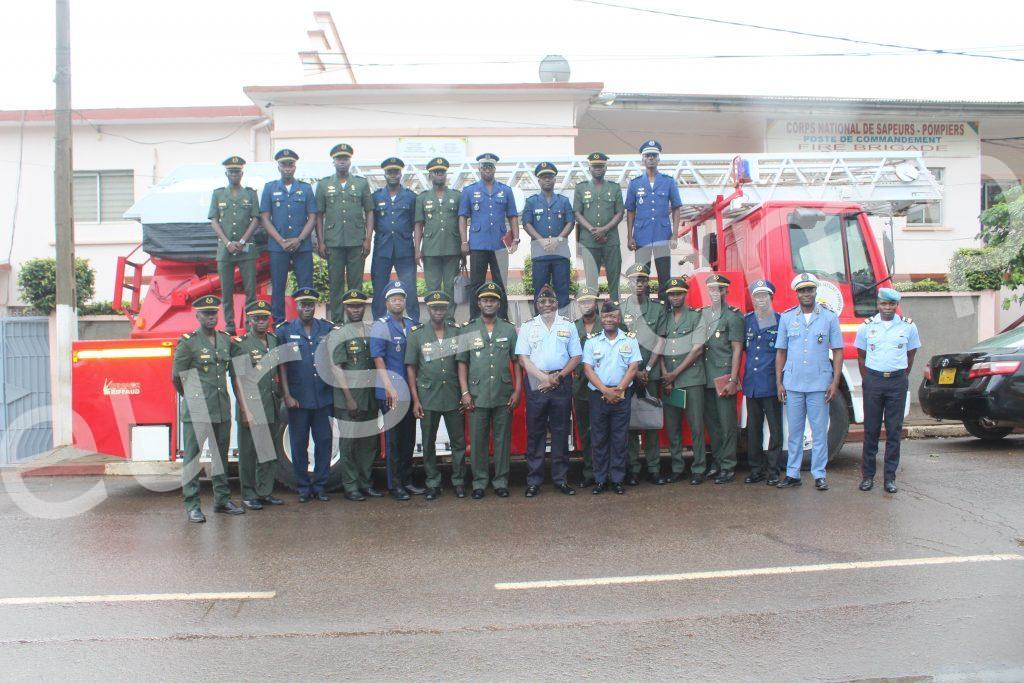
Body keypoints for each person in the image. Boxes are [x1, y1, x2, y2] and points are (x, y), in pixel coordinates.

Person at [172, 295, 243, 523]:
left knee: (220, 457)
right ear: (198, 316)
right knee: (193, 458)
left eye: (214, 313)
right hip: (197, 410)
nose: (211, 317)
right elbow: (177, 378)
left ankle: (222, 500)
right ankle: (192, 504)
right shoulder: (188, 342)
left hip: (221, 408)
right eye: (206, 314)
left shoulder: (224, 340)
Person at [775, 273, 844, 491]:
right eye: (802, 291)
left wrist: (835, 381)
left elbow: (838, 351)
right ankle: (793, 473)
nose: (806, 294)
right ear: (796, 293)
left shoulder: (829, 317)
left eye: (810, 290)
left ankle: (819, 474)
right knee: (794, 432)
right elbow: (781, 352)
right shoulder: (787, 318)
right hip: (794, 383)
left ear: (816, 291)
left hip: (819, 383)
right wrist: (779, 382)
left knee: (819, 432)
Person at [457, 282, 522, 499]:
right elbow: (462, 363)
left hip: (504, 394)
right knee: (478, 441)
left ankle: (501, 480)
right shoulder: (468, 329)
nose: (489, 303)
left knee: (502, 440)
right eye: (485, 300)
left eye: (492, 300)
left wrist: (517, 390)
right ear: (479, 303)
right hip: (477, 394)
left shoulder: (508, 329)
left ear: (498, 303)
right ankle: (479, 482)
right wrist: (465, 392)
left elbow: (516, 362)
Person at [516, 284, 582, 497]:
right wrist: (544, 378)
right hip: (536, 381)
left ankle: (560, 479)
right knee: (535, 433)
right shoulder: (528, 326)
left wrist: (557, 377)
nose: (546, 305)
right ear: (537, 304)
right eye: (542, 301)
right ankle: (534, 480)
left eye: (550, 301)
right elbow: (523, 358)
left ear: (557, 303)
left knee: (561, 432)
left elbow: (576, 357)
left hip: (561, 380)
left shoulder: (568, 326)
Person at [855, 287, 920, 494]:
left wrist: (901, 376)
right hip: (873, 381)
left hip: (896, 382)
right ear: (878, 304)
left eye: (892, 304)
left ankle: (890, 479)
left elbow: (911, 355)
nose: (888, 308)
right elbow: (861, 357)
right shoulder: (866, 327)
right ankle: (867, 477)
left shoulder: (908, 327)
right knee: (871, 431)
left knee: (894, 431)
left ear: (896, 305)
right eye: (884, 303)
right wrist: (868, 380)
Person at [406, 291, 467, 500]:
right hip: (428, 396)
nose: (438, 311)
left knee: (458, 442)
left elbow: (461, 364)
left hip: (452, 395)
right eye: (434, 308)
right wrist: (415, 400)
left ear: (447, 309)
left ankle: (459, 481)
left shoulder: (457, 332)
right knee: (428, 442)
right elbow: (412, 368)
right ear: (428, 309)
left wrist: (463, 392)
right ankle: (433, 482)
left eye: (442, 307)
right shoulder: (417, 334)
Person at [276, 287, 334, 503]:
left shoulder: (326, 329)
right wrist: (287, 395)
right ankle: (302, 487)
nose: (307, 308)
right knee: (299, 444)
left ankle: (319, 486)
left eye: (310, 304)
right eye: (303, 304)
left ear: (315, 306)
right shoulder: (285, 331)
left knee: (324, 442)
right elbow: (282, 365)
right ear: (297, 306)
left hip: (322, 397)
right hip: (298, 399)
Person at [229, 299, 286, 510]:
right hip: (252, 405)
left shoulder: (273, 341)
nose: (261, 322)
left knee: (268, 451)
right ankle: (248, 494)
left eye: (264, 318)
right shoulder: (241, 344)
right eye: (257, 319)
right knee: (249, 453)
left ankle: (265, 492)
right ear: (249, 321)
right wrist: (244, 410)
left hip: (271, 403)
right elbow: (238, 380)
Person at [370, 280, 425, 500]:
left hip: (409, 391)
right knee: (393, 440)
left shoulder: (412, 324)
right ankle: (395, 485)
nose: (398, 302)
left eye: (401, 298)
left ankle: (407, 479)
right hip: (391, 392)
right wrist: (389, 387)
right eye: (394, 299)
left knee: (408, 438)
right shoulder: (380, 325)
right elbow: (378, 358)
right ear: (386, 302)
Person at [582, 301, 642, 494]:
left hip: (621, 395)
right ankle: (600, 479)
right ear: (601, 318)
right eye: (606, 316)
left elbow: (633, 367)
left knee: (619, 438)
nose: (609, 319)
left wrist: (619, 389)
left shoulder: (630, 340)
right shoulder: (592, 341)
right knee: (599, 438)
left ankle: (617, 479)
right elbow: (587, 369)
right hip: (598, 395)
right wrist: (605, 391)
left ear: (619, 319)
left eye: (613, 316)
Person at [329, 289, 382, 502]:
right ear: (345, 308)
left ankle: (365, 483)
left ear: (364, 307)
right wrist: (349, 399)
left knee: (369, 444)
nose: (355, 309)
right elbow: (337, 368)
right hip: (348, 400)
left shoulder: (370, 332)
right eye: (351, 305)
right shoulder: (338, 334)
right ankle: (350, 487)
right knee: (349, 444)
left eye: (359, 305)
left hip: (369, 398)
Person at [315, 143, 374, 323]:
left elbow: (370, 211)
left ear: (350, 162)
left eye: (345, 159)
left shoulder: (361, 183)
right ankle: (338, 322)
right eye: (339, 159)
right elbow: (319, 215)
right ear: (333, 162)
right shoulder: (324, 184)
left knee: (356, 285)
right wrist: (321, 241)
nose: (342, 162)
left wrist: (368, 239)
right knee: (336, 285)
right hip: (333, 242)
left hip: (357, 241)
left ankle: (355, 322)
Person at [658, 277, 708, 485]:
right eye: (671, 294)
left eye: (678, 293)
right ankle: (677, 467)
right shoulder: (665, 317)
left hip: (691, 379)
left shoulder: (696, 316)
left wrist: (674, 373)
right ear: (668, 297)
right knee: (673, 427)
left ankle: (698, 468)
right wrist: (665, 376)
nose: (675, 297)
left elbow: (697, 349)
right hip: (669, 382)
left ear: (685, 294)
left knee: (696, 426)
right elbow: (658, 348)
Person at [459, 153, 520, 320]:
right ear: (479, 169)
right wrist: (464, 241)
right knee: (476, 284)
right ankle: (474, 319)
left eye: (490, 167)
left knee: (501, 284)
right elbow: (463, 217)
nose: (487, 170)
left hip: (500, 244)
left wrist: (516, 239)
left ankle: (503, 319)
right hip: (478, 244)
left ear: (494, 169)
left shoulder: (505, 190)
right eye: (484, 167)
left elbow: (513, 216)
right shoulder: (469, 191)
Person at [620, 263, 666, 484]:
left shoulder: (657, 309)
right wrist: (634, 371)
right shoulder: (620, 309)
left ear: (647, 283)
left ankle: (654, 468)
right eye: (634, 280)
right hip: (627, 376)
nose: (638, 284)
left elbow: (661, 340)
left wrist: (646, 369)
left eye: (642, 280)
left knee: (651, 421)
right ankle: (633, 469)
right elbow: (617, 344)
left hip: (650, 374)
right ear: (628, 283)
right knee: (630, 423)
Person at [260, 149, 317, 325]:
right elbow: (264, 217)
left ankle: (306, 323)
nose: (287, 168)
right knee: (278, 286)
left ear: (295, 166)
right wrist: (281, 241)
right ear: (278, 167)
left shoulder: (305, 189)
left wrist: (299, 239)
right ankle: (278, 323)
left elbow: (313, 216)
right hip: (278, 247)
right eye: (284, 164)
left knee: (306, 287)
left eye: (290, 164)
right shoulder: (270, 188)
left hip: (302, 246)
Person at [700, 274, 744, 484]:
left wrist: (733, 379)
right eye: (712, 290)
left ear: (726, 292)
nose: (715, 293)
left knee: (727, 424)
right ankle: (717, 461)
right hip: (706, 376)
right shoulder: (704, 314)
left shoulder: (733, 316)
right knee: (714, 424)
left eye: (719, 289)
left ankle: (728, 465)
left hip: (724, 377)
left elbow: (736, 350)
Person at [209, 156, 260, 335]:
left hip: (247, 248)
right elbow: (214, 220)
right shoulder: (218, 194)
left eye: (237, 171)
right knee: (226, 290)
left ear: (242, 173)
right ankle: (230, 326)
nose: (234, 174)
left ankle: (250, 325)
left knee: (251, 291)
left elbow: (256, 219)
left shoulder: (250, 193)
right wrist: (228, 242)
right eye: (231, 171)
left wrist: (242, 241)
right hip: (225, 250)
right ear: (226, 173)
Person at [742, 279, 784, 486]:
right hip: (752, 385)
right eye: (757, 296)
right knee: (753, 429)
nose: (760, 299)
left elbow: (782, 354)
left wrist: (780, 382)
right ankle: (756, 469)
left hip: (770, 384)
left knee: (775, 429)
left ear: (771, 298)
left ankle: (773, 470)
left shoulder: (780, 321)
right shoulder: (747, 321)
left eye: (764, 296)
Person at [625, 140, 682, 284]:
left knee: (664, 276)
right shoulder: (635, 183)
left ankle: (664, 306)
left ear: (659, 158)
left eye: (654, 155)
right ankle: (644, 306)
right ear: (642, 159)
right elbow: (630, 211)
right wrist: (629, 236)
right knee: (641, 275)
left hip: (662, 235)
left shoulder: (669, 181)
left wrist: (675, 235)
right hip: (641, 236)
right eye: (648, 155)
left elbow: (676, 208)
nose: (651, 158)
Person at [371, 157, 420, 323]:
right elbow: (372, 221)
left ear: (400, 174)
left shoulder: (410, 197)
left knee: (410, 291)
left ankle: (414, 325)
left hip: (405, 249)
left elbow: (416, 223)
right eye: (389, 172)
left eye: (396, 172)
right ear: (385, 174)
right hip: (382, 249)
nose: (393, 175)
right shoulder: (376, 197)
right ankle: (379, 325)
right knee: (379, 291)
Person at [414, 157, 463, 324]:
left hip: (452, 248)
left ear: (446, 175)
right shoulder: (422, 198)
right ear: (430, 175)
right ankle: (434, 319)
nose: (439, 175)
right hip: (431, 249)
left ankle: (448, 319)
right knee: (432, 286)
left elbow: (462, 222)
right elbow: (419, 225)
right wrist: (417, 249)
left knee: (450, 286)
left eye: (442, 172)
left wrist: (464, 245)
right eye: (436, 172)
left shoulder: (456, 196)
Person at [522, 162, 574, 311]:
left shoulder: (563, 201)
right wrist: (541, 240)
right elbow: (526, 223)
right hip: (540, 252)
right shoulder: (531, 201)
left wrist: (558, 240)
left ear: (554, 179)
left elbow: (570, 222)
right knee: (540, 292)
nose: (547, 180)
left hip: (560, 252)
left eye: (550, 177)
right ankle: (539, 326)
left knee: (562, 291)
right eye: (543, 177)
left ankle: (563, 323)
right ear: (539, 181)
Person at [574, 152, 624, 303]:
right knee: (591, 282)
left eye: (601, 166)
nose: (598, 169)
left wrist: (604, 229)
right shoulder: (581, 188)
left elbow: (620, 212)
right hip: (589, 241)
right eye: (595, 166)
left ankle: (616, 312)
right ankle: (593, 316)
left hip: (611, 240)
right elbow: (577, 212)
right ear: (589, 168)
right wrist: (592, 230)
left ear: (605, 168)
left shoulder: (614, 188)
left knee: (614, 281)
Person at [572, 286, 602, 487]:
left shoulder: (608, 323)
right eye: (582, 302)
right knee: (586, 431)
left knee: (604, 430)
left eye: (589, 301)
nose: (586, 305)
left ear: (596, 303)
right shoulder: (572, 327)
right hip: (581, 387)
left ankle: (606, 471)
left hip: (604, 386)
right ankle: (590, 471)